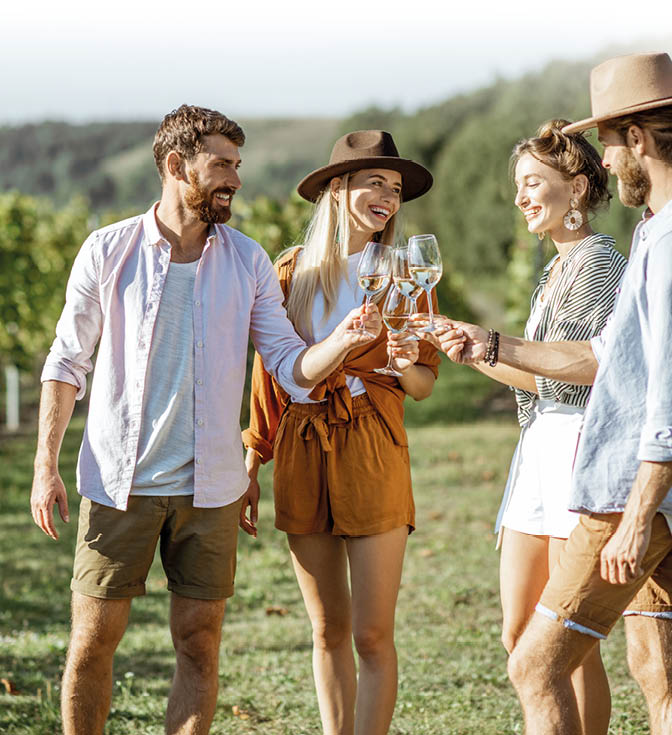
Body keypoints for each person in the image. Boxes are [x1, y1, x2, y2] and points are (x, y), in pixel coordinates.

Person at [28, 105, 379, 735]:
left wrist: (345, 340)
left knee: (199, 644)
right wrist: (44, 467)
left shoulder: (247, 261)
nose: (235, 180)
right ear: (175, 165)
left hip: (211, 491)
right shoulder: (109, 251)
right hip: (118, 482)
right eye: (221, 165)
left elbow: (290, 366)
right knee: (92, 643)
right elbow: (66, 362)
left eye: (237, 166)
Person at [429, 52, 672, 735]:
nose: (603, 161)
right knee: (658, 669)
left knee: (534, 666)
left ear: (636, 138)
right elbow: (610, 357)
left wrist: (634, 517)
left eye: (605, 142)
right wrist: (490, 344)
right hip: (670, 493)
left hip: (636, 493)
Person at [425, 119, 626, 732]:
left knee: (570, 642)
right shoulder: (553, 270)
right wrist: (471, 349)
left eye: (534, 182)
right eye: (518, 185)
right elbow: (540, 382)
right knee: (519, 631)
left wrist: (490, 342)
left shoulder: (600, 265)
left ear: (579, 188)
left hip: (577, 452)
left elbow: (577, 376)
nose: (521, 197)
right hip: (537, 448)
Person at [242, 130, 440, 735]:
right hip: (303, 448)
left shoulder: (410, 274)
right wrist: (253, 462)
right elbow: (269, 381)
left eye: (396, 188)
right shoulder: (289, 274)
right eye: (374, 182)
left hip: (374, 445)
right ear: (337, 189)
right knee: (326, 629)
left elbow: (424, 384)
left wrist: (408, 360)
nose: (388, 196)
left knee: (372, 632)